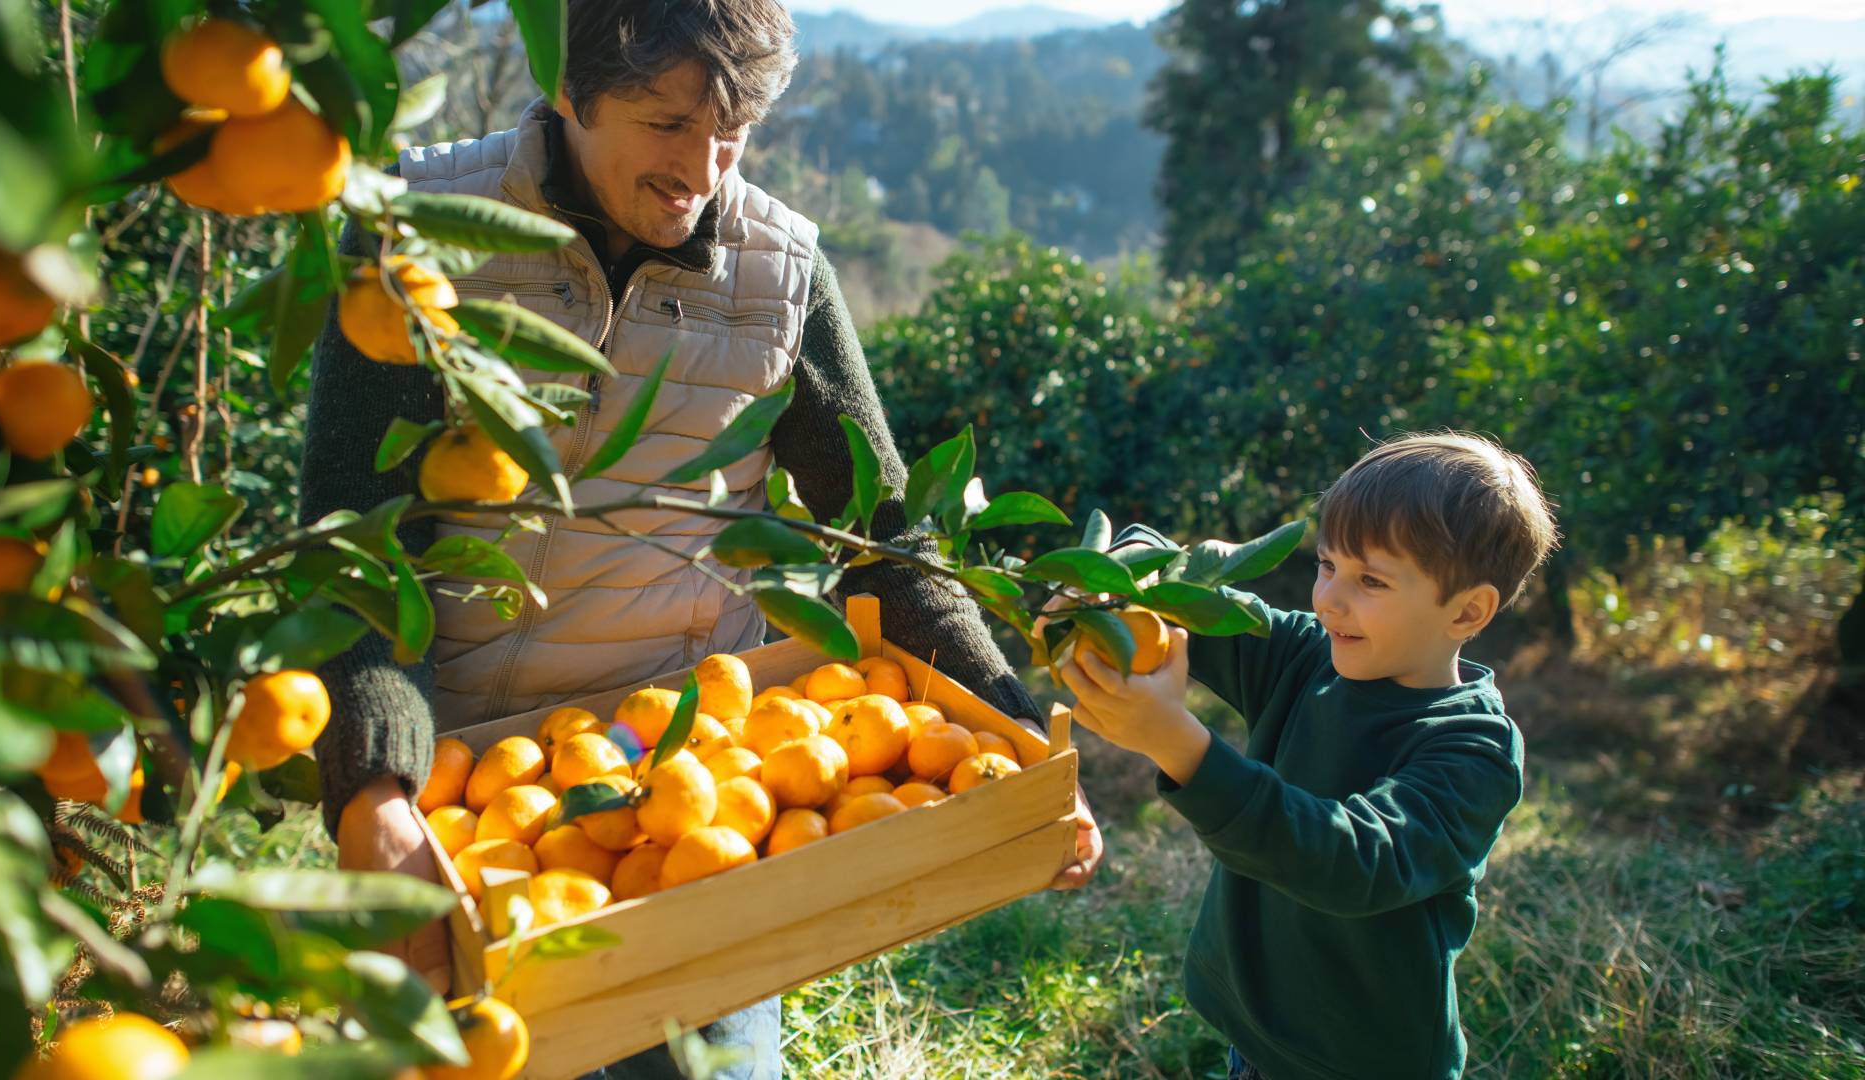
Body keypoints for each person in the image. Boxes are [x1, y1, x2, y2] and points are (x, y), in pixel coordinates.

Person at [297, 1, 1101, 1075]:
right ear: (568, 92)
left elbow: (886, 539)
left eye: (733, 130)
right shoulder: (420, 234)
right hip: (476, 792)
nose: (703, 169)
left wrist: (1017, 736)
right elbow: (354, 546)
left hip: (690, 781)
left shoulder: (780, 275)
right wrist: (375, 786)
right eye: (668, 122)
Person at [1059, 432, 1557, 1080]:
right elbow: (1189, 599)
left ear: (1468, 611)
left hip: (1364, 1063)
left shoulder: (1473, 751)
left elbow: (1353, 863)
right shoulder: (1307, 655)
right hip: (1258, 1037)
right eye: (1327, 564)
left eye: (1370, 580)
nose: (1329, 599)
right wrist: (1103, 585)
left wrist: (1175, 742)